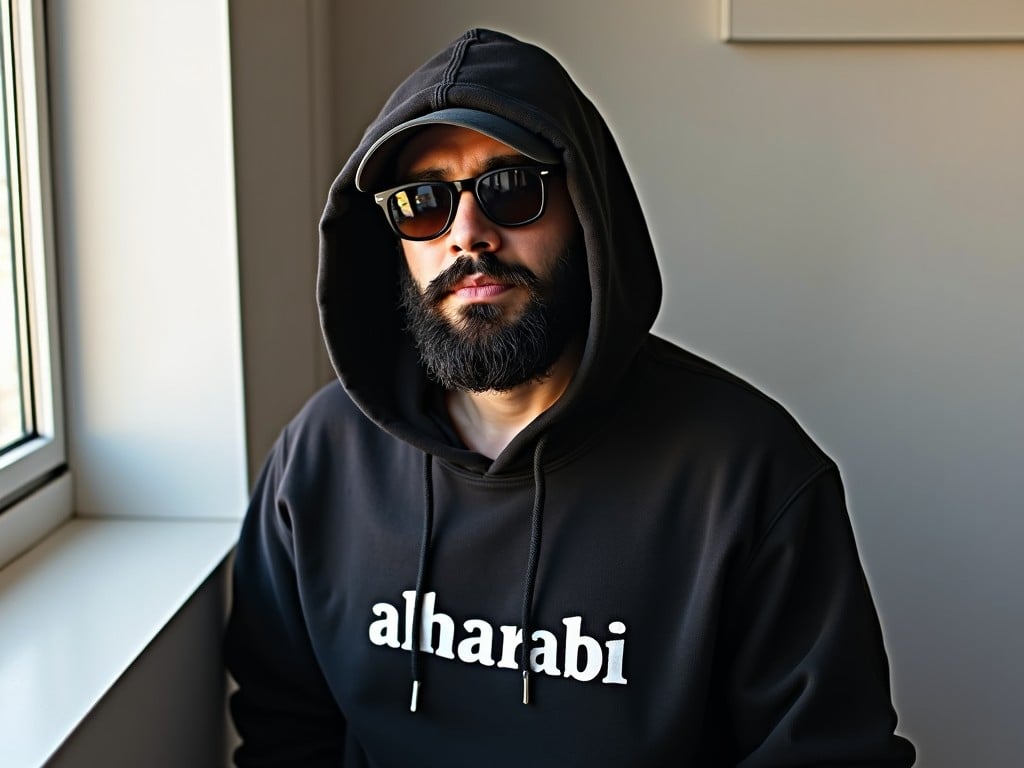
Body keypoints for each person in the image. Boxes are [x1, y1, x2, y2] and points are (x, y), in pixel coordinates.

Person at [225, 28, 915, 767]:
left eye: (512, 188)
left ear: (587, 209)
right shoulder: (321, 456)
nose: (468, 235)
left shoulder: (747, 473)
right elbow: (282, 731)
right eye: (423, 202)